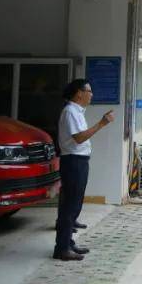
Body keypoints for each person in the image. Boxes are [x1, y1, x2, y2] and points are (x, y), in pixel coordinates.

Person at [54, 79, 114, 261]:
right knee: (70, 205)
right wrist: (101, 123)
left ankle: (68, 242)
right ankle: (62, 248)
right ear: (79, 93)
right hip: (73, 161)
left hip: (78, 161)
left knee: (75, 204)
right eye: (89, 91)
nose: (91, 94)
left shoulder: (77, 111)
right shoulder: (71, 111)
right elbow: (79, 138)